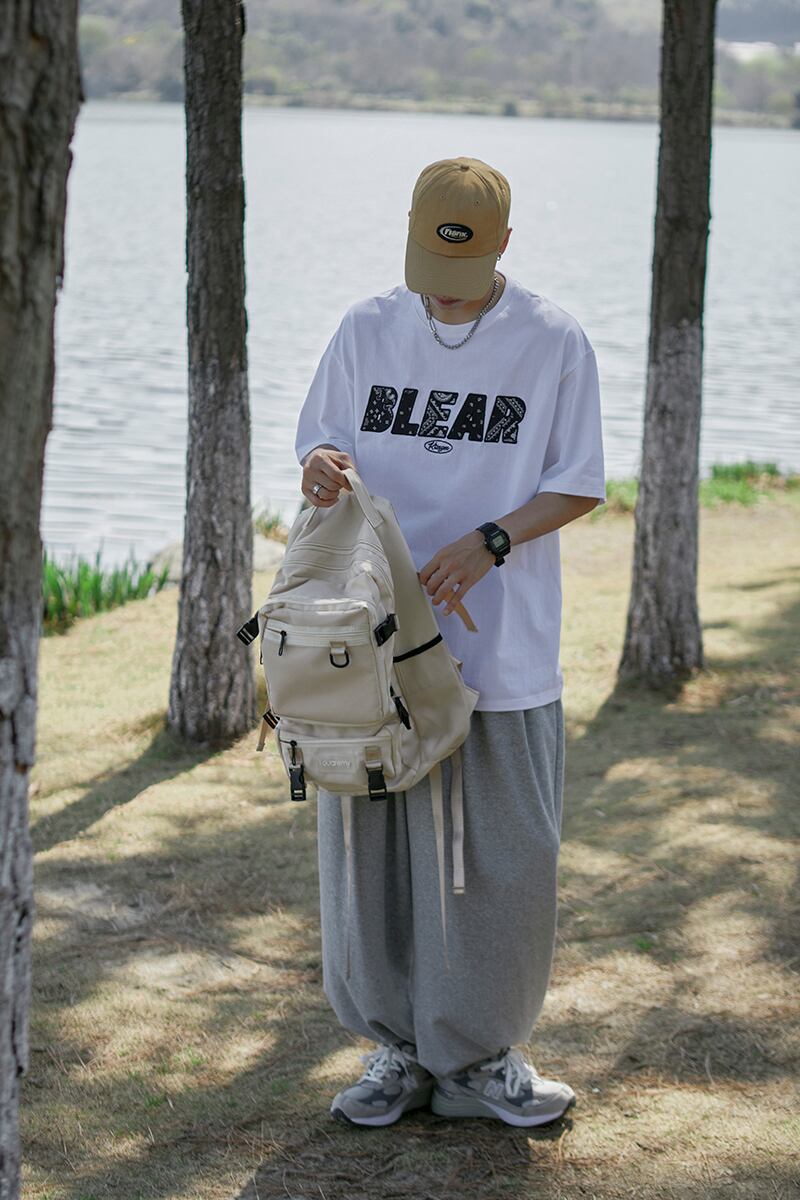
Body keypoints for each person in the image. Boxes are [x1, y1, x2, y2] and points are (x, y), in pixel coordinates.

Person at [293, 156, 606, 1129]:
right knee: (373, 855)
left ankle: (481, 1056)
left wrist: (490, 541)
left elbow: (578, 480)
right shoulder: (365, 327)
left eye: (464, 273)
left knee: (501, 859)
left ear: (505, 243)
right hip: (369, 643)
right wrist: (320, 466)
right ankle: (396, 1049)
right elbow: (320, 446)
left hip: (498, 646)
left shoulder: (552, 340)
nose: (445, 292)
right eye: (432, 268)